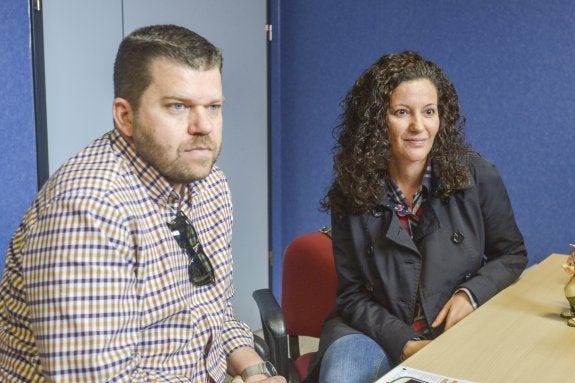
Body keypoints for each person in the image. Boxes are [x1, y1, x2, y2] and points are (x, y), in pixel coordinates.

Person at [0, 24, 285, 383]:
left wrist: (255, 370)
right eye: (178, 106)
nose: (203, 126)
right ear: (125, 116)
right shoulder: (88, 209)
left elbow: (213, 310)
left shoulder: (210, 184)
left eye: (213, 107)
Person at [306, 51, 528, 383]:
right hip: (371, 329)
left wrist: (471, 294)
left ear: (442, 116)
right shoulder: (351, 190)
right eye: (401, 112)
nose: (418, 127)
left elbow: (511, 254)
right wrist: (404, 341)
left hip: (453, 327)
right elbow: (351, 296)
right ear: (377, 121)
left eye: (429, 112)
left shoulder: (479, 176)